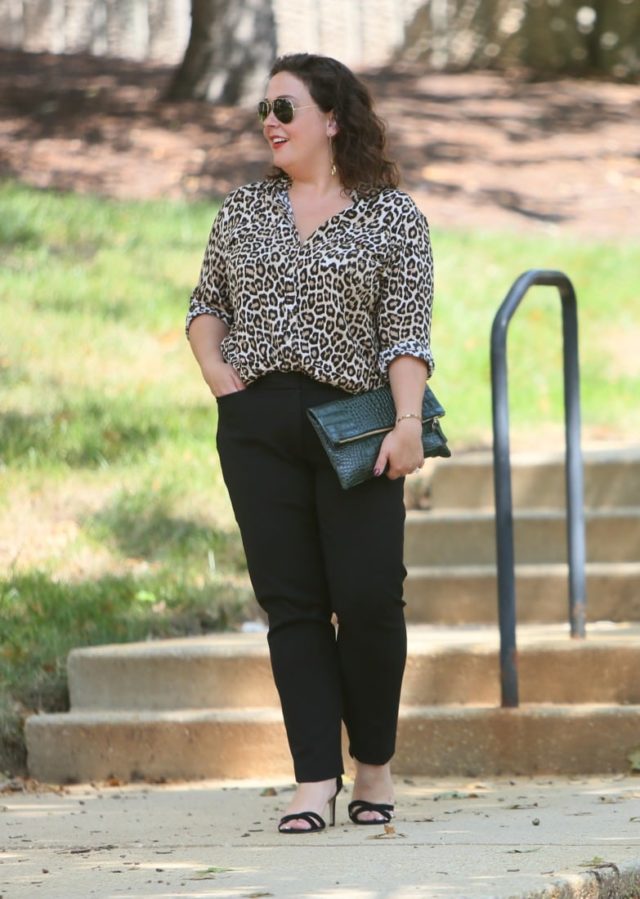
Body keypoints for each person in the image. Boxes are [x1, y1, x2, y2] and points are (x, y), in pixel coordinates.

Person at [186, 53, 435, 834]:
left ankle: (375, 768)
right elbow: (206, 301)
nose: (271, 122)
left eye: (286, 109)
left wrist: (405, 423)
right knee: (292, 605)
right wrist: (217, 370)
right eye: (265, 109)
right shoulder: (243, 209)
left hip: (357, 423)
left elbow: (406, 332)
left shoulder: (392, 217)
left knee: (366, 599)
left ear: (332, 118)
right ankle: (313, 780)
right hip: (259, 424)